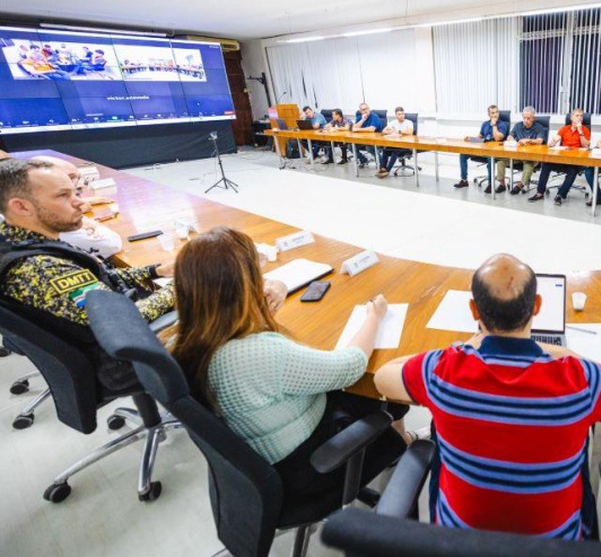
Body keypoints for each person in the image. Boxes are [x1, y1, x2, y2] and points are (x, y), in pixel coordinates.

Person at [374, 253, 601, 539]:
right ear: (537, 306)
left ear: (474, 311)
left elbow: (384, 376)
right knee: (580, 436)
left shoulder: (442, 370)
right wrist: (570, 354)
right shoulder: (579, 379)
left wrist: (456, 348)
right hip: (556, 548)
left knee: (439, 429)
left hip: (460, 545)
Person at [169, 227, 413, 499]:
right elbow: (350, 366)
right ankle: (400, 444)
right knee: (385, 384)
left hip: (263, 452)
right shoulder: (254, 353)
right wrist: (374, 317)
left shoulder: (189, 337)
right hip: (305, 466)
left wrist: (275, 290)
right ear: (243, 284)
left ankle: (396, 443)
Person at [0, 159, 174, 389]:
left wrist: (155, 271)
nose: (80, 203)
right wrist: (178, 288)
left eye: (75, 192)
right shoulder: (42, 269)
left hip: (110, 331)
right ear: (21, 207)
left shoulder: (24, 241)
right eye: (63, 196)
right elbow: (123, 322)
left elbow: (102, 279)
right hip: (121, 359)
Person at [29, 155, 122, 258]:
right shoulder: (52, 223)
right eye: (71, 177)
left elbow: (84, 205)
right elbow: (111, 245)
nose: (80, 185)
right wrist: (93, 224)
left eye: (78, 177)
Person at [527, 108, 590, 205]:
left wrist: (580, 131)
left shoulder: (585, 130)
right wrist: (553, 142)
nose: (579, 118)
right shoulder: (564, 128)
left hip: (575, 161)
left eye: (581, 116)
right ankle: (540, 193)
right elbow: (554, 140)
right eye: (577, 115)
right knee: (546, 164)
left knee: (572, 170)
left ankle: (560, 195)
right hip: (563, 159)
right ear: (571, 117)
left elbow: (586, 146)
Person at [454, 104, 508, 192]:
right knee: (463, 154)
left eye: (497, 112)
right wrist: (470, 139)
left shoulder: (502, 125)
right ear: (489, 115)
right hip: (483, 149)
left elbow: (498, 138)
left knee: (490, 159)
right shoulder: (485, 124)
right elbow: (480, 138)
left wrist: (494, 125)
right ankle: (464, 180)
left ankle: (491, 185)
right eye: (492, 113)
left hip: (494, 152)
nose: (495, 115)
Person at [499, 106, 546, 195]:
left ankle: (520, 185)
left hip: (531, 157)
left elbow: (540, 141)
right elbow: (510, 135)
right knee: (500, 161)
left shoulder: (539, 127)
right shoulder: (518, 125)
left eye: (528, 118)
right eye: (524, 118)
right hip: (518, 156)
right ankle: (502, 184)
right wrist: (511, 140)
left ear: (533, 118)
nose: (526, 120)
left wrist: (529, 140)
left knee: (529, 164)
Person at [377, 106, 415, 178]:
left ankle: (387, 170)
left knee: (395, 151)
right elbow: (383, 131)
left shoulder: (409, 122)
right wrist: (390, 133)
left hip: (406, 146)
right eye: (399, 114)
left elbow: (410, 132)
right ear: (396, 115)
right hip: (395, 144)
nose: (401, 116)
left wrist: (398, 131)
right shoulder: (393, 123)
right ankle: (383, 168)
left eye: (403, 114)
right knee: (385, 150)